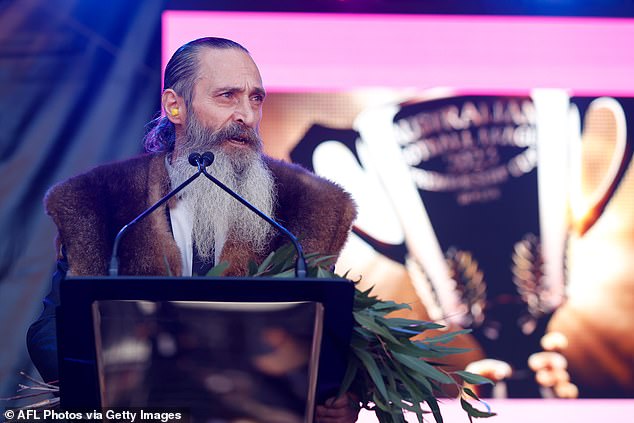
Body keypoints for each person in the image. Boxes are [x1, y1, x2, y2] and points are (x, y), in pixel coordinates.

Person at [27, 37, 358, 422]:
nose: (247, 116)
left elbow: (332, 339)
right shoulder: (100, 204)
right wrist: (109, 390)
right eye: (227, 96)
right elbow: (51, 331)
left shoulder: (305, 209)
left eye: (255, 98)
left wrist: (341, 398)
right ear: (174, 106)